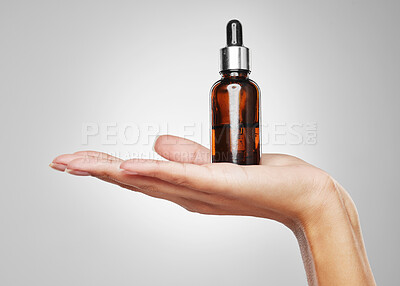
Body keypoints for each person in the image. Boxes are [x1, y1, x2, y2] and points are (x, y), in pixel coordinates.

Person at [50, 135, 376, 285]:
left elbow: (319, 198)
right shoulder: (225, 89)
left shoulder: (243, 89)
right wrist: (321, 207)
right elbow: (320, 199)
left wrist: (319, 203)